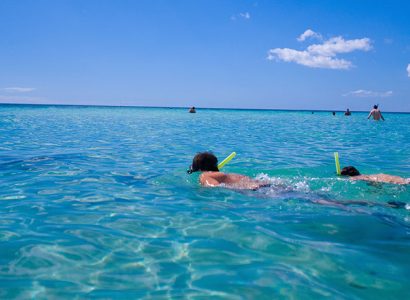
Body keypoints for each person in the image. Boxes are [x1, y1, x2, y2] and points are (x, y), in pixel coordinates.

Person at [187, 152, 268, 190]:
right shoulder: (225, 174)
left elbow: (215, 186)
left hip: (253, 189)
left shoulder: (204, 175)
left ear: (200, 169)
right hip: (264, 183)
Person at [341, 166, 409, 185]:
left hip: (381, 180)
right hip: (382, 176)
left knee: (404, 183)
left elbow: (373, 181)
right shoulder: (365, 175)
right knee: (405, 181)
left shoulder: (354, 178)